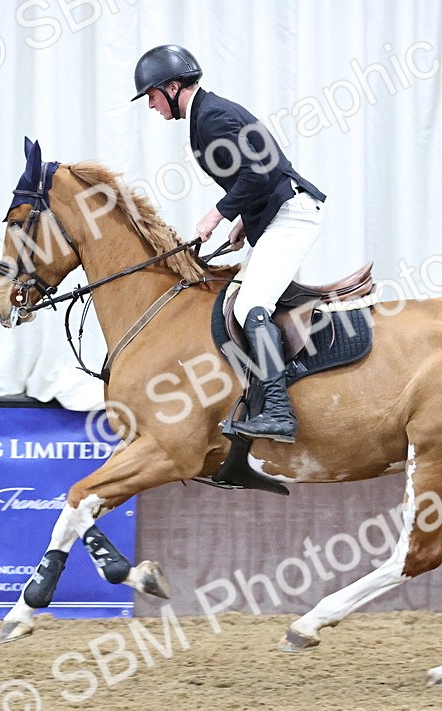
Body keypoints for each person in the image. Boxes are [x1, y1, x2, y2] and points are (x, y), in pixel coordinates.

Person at [133, 44, 326, 443]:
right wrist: (243, 219)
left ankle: (278, 412)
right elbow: (257, 173)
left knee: (252, 306)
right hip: (277, 214)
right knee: (240, 300)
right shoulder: (206, 115)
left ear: (172, 87)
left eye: (151, 96)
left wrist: (217, 215)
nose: (151, 106)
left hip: (293, 215)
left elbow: (257, 173)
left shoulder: (213, 116)